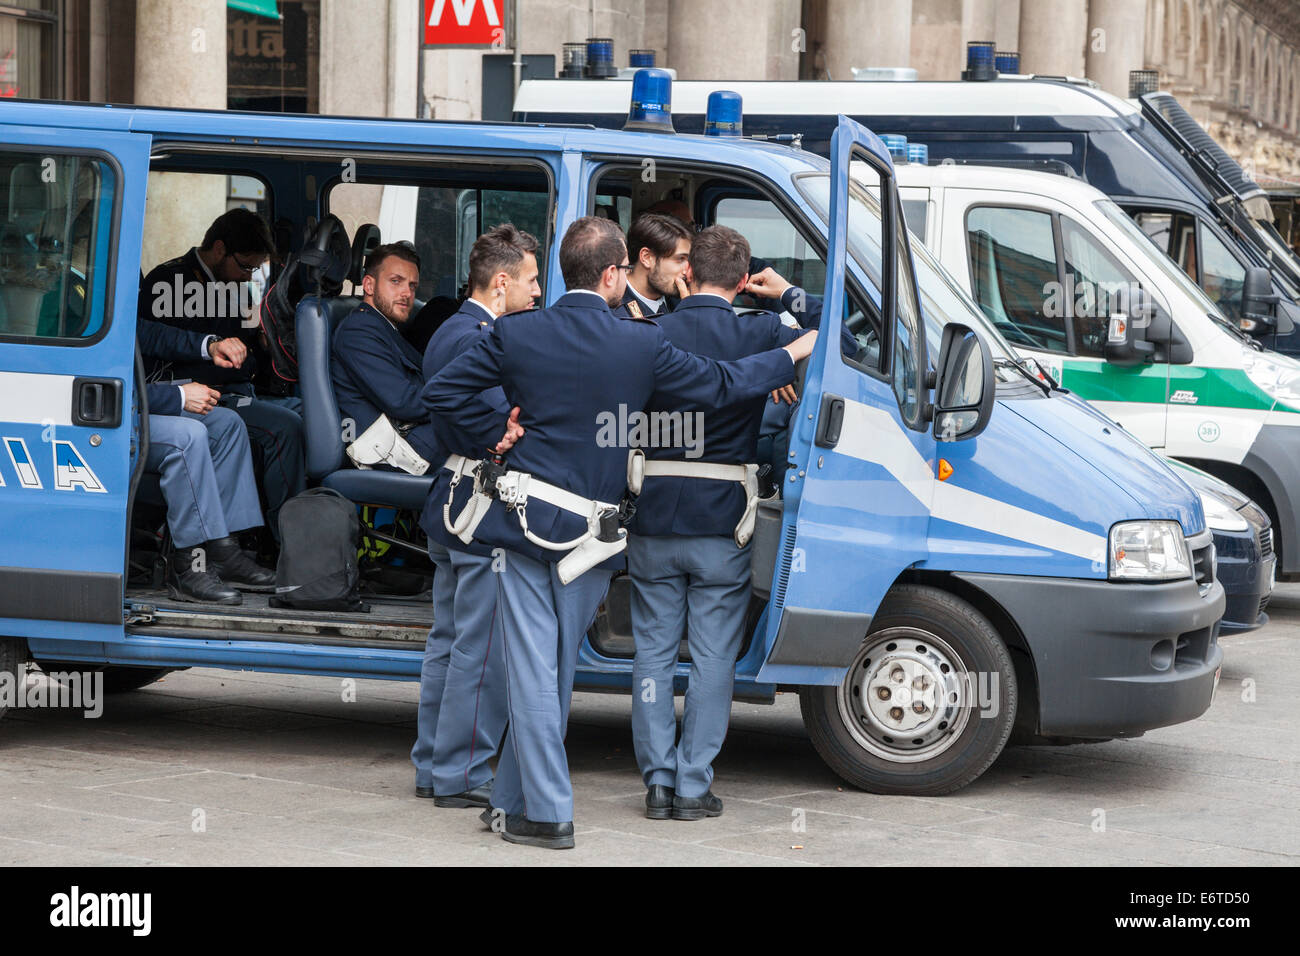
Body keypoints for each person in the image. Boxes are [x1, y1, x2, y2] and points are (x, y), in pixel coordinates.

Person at [420, 216, 817, 850]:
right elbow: (722, 385)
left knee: (533, 671)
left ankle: (538, 808)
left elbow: (441, 391)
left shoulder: (519, 333)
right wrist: (789, 353)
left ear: (562, 272)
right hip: (595, 540)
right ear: (613, 274)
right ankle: (522, 804)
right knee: (550, 673)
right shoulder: (638, 344)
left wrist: (496, 432)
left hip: (522, 527)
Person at [626, 224, 832, 822]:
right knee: (714, 658)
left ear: (686, 272)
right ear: (745, 281)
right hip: (724, 520)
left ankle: (658, 782)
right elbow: (856, 330)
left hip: (655, 513)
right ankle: (693, 785)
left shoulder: (646, 331)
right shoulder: (765, 330)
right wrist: (792, 295)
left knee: (652, 656)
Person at [410, 224, 541, 808]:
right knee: (479, 651)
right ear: (502, 280)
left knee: (448, 642)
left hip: (450, 500)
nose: (538, 292)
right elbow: (497, 423)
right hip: (477, 503)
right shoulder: (476, 338)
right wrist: (503, 431)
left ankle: (432, 766)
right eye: (532, 280)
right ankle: (462, 775)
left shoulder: (453, 327)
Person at [140, 209, 305, 536]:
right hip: (204, 396)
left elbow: (248, 353)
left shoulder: (240, 289)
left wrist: (263, 345)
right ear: (218, 249)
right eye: (244, 265)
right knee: (286, 427)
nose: (248, 276)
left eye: (255, 269)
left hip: (243, 390)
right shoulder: (169, 282)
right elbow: (157, 347)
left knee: (307, 413)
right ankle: (285, 538)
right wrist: (217, 350)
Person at [139, 318, 276, 605]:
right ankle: (189, 565)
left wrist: (211, 346)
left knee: (226, 423)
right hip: (108, 420)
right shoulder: (70, 310)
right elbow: (97, 384)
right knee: (188, 435)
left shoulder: (108, 299)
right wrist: (175, 396)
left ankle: (224, 551)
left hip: (135, 408)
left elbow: (151, 334)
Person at [330, 243, 437, 471]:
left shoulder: (383, 327)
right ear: (369, 284)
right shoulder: (358, 330)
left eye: (412, 285)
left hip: (408, 437)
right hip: (392, 448)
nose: (407, 293)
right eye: (396, 281)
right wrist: (457, 402)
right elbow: (403, 402)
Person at [621, 213, 691, 317]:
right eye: (680, 259)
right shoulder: (613, 306)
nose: (688, 271)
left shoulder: (683, 302)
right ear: (647, 258)